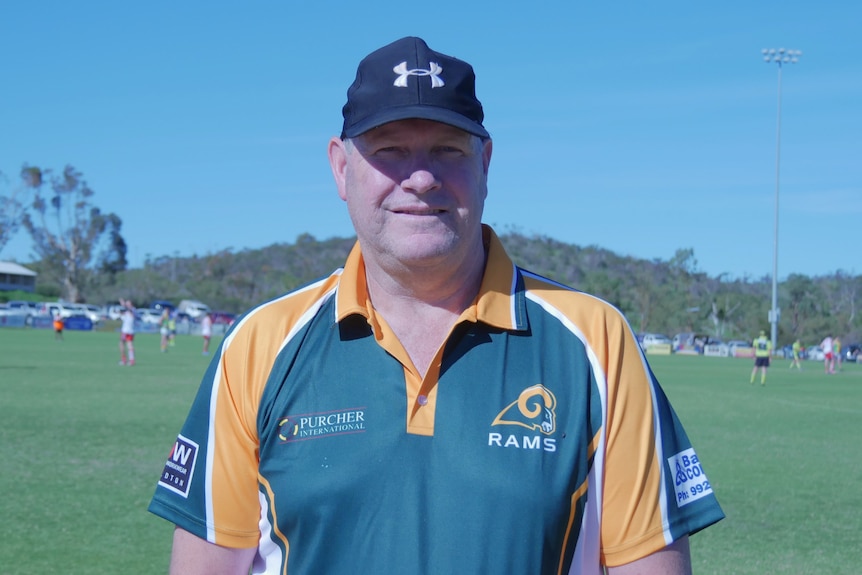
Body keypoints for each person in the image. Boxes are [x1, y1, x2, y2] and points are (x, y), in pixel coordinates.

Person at [148, 37, 723, 575]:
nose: (420, 178)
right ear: (341, 167)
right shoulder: (259, 345)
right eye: (390, 151)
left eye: (447, 150)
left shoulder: (596, 342)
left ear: (486, 164)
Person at [118, 298, 136, 366]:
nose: (126, 304)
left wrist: (123, 304)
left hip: (128, 331)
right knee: (122, 344)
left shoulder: (133, 310)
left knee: (129, 345)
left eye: (128, 303)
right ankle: (125, 360)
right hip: (125, 330)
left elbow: (131, 312)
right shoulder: (127, 311)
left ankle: (130, 360)